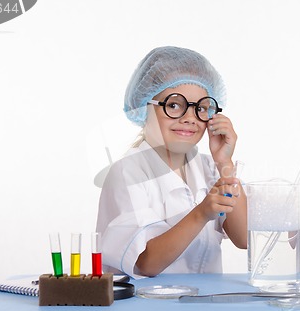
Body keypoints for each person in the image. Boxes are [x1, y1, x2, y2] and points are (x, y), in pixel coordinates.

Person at [96, 46, 247, 279]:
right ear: (144, 106)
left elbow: (244, 239)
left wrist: (223, 161)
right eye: (174, 105)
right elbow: (146, 263)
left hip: (204, 309)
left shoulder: (209, 168)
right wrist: (201, 213)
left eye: (201, 108)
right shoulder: (127, 173)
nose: (189, 118)